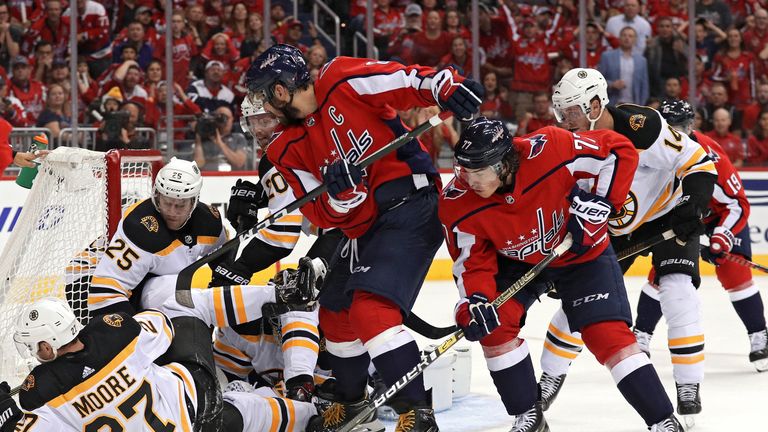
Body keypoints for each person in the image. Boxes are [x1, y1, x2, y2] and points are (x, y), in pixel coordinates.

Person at [244, 43, 483, 431]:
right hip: (363, 227)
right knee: (336, 314)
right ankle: (354, 401)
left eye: (262, 95)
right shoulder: (284, 147)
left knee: (370, 312)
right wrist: (343, 195)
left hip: (411, 200)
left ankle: (416, 413)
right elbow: (321, 214)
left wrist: (443, 86)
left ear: (280, 90)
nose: (263, 107)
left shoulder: (340, 79)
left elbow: (402, 82)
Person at [439, 117, 682, 432]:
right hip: (517, 264)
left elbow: (618, 151)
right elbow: (471, 261)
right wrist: (475, 299)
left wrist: (599, 205)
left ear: (502, 165)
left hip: (581, 253)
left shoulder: (552, 147)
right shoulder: (457, 202)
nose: (468, 180)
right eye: (463, 169)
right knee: (493, 327)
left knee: (608, 335)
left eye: (478, 171)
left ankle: (662, 420)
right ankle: (528, 413)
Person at [537, 68, 718, 421]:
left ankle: (688, 384)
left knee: (679, 290)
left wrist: (693, 204)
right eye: (561, 112)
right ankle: (550, 375)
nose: (564, 119)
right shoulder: (568, 144)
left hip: (668, 214)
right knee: (580, 302)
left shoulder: (643, 126)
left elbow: (696, 162)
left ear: (594, 103)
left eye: (571, 110)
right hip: (613, 229)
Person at [0, 263, 326, 432]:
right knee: (178, 305)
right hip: (199, 408)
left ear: (46, 346)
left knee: (241, 407)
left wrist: (5, 413)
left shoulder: (38, 392)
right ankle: (280, 298)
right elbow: (163, 328)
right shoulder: (113, 333)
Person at [208, 97, 344, 404]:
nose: (258, 129)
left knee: (302, 294)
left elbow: (283, 235)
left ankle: (326, 383)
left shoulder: (278, 154)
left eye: (265, 120)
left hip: (350, 233)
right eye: (253, 121)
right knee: (317, 301)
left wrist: (242, 266)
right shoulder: (304, 138)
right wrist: (260, 199)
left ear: (281, 117)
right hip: (357, 228)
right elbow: (305, 202)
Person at [632, 99, 768, 372]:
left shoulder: (709, 154)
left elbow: (736, 203)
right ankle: (641, 335)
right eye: (670, 127)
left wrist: (721, 236)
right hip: (679, 216)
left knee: (735, 273)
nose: (676, 133)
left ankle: (759, 335)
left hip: (717, 216)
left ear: (692, 125)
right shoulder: (649, 150)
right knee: (665, 272)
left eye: (682, 127)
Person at [87, 158, 226, 316]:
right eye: (166, 203)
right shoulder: (140, 226)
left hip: (141, 283)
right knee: (178, 293)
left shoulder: (209, 221)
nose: (172, 212)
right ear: (157, 196)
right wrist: (132, 332)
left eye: (180, 205)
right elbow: (105, 291)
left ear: (194, 202)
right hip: (86, 281)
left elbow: (224, 260)